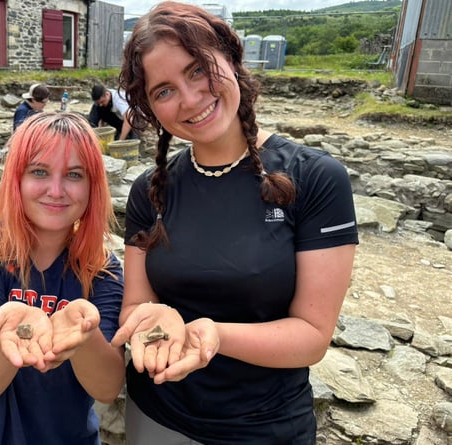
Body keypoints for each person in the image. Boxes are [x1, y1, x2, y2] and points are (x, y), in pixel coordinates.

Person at [110, 2, 359, 444]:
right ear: (149, 108)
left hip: (264, 427)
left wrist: (212, 335)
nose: (190, 98)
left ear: (230, 58)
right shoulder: (151, 191)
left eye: (197, 69)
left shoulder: (316, 178)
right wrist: (153, 316)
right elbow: (135, 307)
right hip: (156, 415)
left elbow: (312, 336)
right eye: (163, 91)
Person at [0, 112, 125, 444]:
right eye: (39, 171)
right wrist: (10, 335)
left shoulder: (101, 268)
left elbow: (106, 388)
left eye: (74, 175)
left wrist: (84, 333)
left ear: (93, 187)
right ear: (15, 178)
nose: (56, 190)